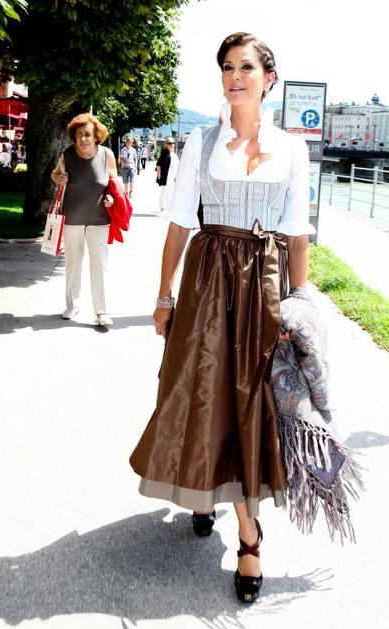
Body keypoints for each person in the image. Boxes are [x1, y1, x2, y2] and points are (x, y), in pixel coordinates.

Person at [130, 32, 314, 603]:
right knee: (200, 391)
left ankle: (248, 533)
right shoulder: (200, 140)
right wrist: (164, 295)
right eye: (228, 68)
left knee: (250, 401)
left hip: (263, 284)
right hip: (208, 281)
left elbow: (297, 236)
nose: (235, 77)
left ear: (268, 79)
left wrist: (300, 304)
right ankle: (213, 497)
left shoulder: (292, 150)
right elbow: (180, 222)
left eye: (246, 67)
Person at [51, 112, 117, 327]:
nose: (83, 139)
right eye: (79, 135)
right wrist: (59, 178)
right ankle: (72, 306)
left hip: (99, 219)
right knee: (73, 264)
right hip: (73, 219)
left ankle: (102, 311)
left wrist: (111, 197)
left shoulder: (106, 155)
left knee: (99, 264)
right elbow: (54, 174)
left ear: (96, 136)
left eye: (87, 134)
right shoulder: (67, 155)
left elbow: (114, 183)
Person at [155, 137, 179, 212]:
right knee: (164, 191)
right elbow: (158, 165)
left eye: (173, 143)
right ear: (166, 144)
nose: (172, 145)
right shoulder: (164, 153)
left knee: (171, 192)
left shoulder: (174, 155)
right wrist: (159, 174)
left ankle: (169, 207)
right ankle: (162, 207)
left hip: (173, 177)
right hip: (166, 176)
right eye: (170, 143)